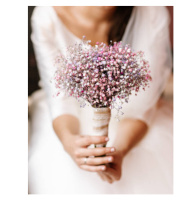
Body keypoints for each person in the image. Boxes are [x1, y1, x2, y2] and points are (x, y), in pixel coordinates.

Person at [29, 6, 173, 194]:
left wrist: (119, 151)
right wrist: (69, 142)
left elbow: (143, 104)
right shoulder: (47, 15)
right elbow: (61, 101)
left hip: (134, 119)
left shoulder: (151, 11)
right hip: (69, 117)